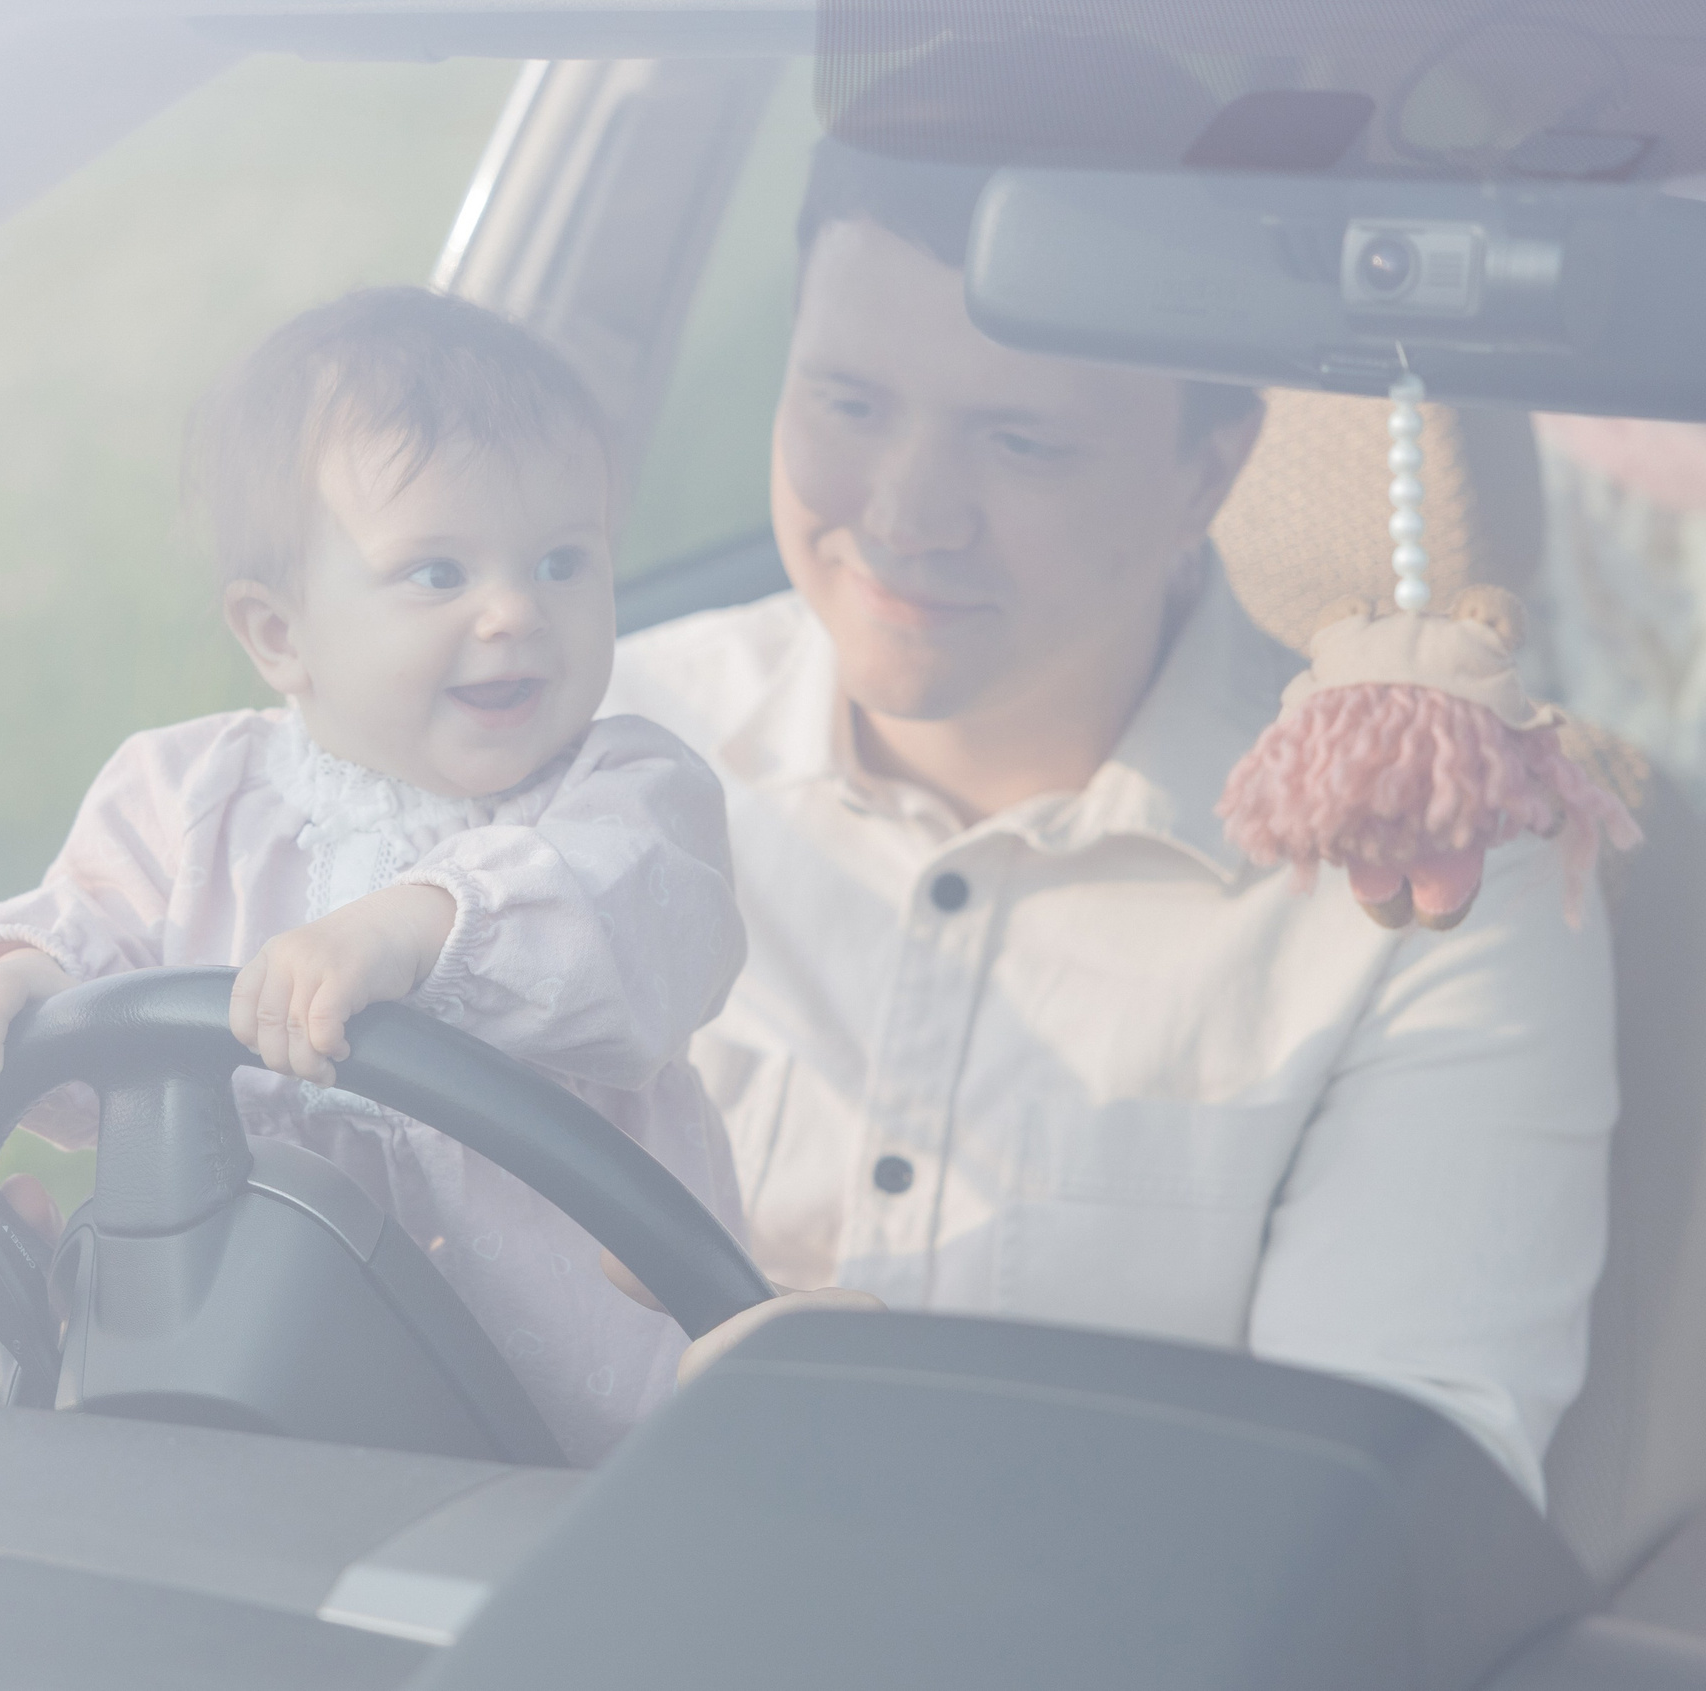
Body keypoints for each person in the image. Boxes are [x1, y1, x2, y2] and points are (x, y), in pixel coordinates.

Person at [601, 129, 1614, 1501]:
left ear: (1209, 472)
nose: (906, 514)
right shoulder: (586, 746)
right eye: (847, 403)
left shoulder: (1427, 880)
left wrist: (881, 1440)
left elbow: (1389, 1511)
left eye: (1020, 440)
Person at [0, 287, 748, 1464]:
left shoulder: (626, 793)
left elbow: (629, 931)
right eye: (437, 574)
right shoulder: (185, 795)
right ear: (280, 635)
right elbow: (92, 934)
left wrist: (412, 933)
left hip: (583, 1450)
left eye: (565, 560)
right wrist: (19, 980)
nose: (518, 611)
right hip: (243, 1406)